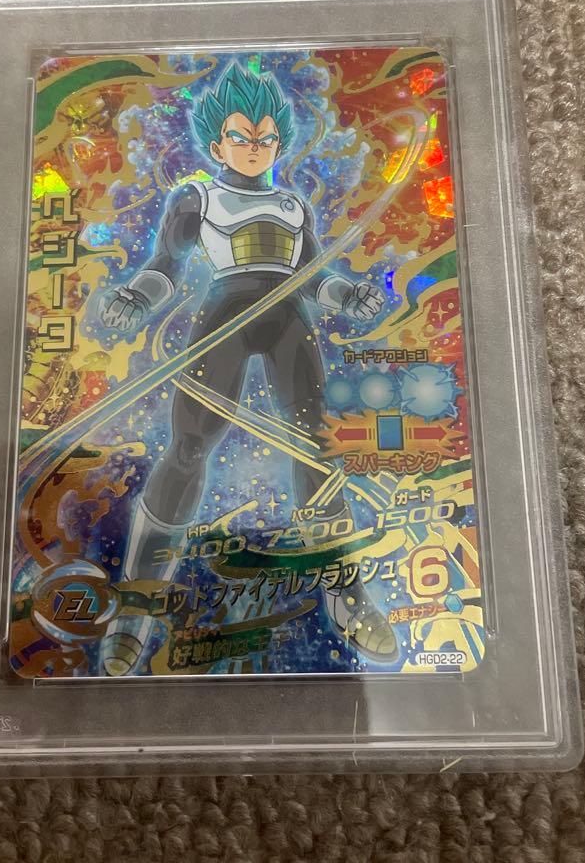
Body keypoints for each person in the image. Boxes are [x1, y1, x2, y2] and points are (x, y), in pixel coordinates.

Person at [98, 63, 397, 675]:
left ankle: (343, 588)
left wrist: (349, 296)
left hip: (287, 319)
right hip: (226, 317)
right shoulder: (198, 197)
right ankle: (136, 604)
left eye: (266, 138)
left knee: (317, 446)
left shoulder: (291, 204)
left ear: (279, 144)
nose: (255, 148)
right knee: (189, 446)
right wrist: (134, 298)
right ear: (218, 145)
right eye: (242, 136)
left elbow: (312, 277)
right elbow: (166, 267)